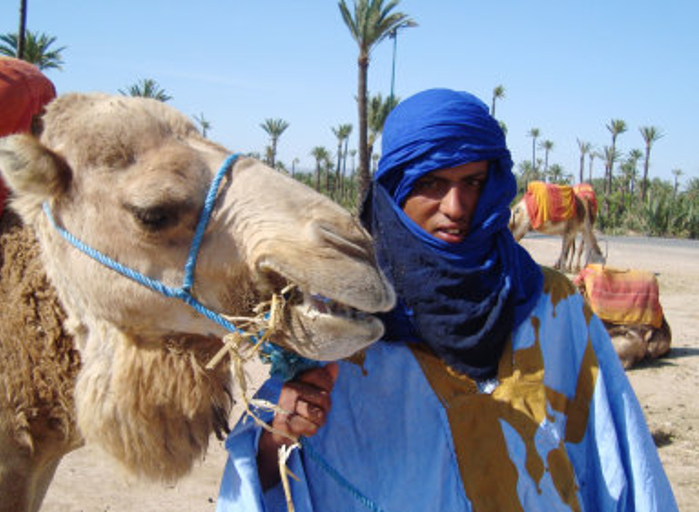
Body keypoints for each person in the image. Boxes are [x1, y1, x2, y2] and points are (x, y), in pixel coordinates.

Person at [217, 88, 677, 512]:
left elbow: (624, 466)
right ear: (395, 190)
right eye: (432, 183)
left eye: (473, 181)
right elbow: (260, 474)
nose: (457, 207)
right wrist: (276, 436)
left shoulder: (551, 305)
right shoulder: (342, 317)